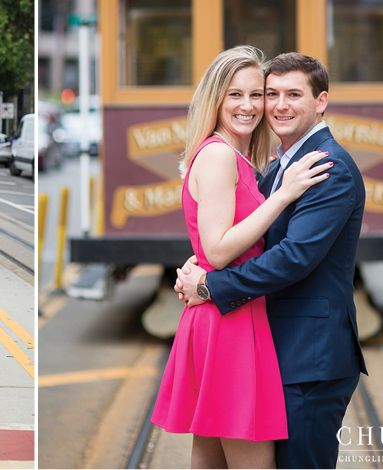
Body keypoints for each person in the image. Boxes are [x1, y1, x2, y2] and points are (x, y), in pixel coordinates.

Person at [177, 52, 368, 469]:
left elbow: (294, 257)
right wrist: (200, 263)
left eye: (293, 94)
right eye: (272, 93)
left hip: (308, 356)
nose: (276, 104)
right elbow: (240, 237)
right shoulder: (276, 165)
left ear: (321, 102)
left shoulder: (325, 167)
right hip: (268, 345)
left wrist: (211, 285)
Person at [150, 46, 331, 469]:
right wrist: (284, 193)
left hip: (223, 315)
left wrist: (197, 265)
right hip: (229, 321)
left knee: (210, 459)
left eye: (257, 95)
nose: (249, 106)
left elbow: (211, 243)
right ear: (215, 99)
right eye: (235, 95)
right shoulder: (217, 155)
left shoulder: (237, 157)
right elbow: (216, 247)